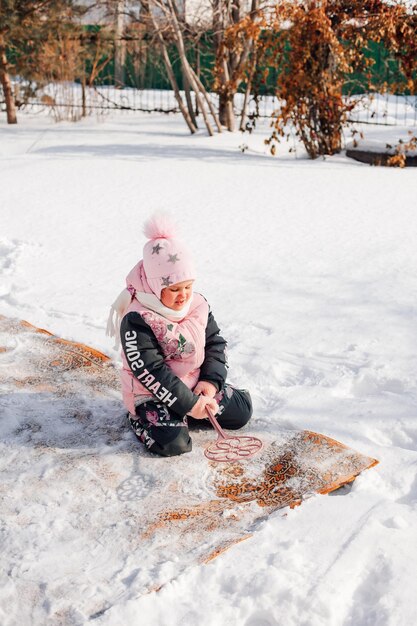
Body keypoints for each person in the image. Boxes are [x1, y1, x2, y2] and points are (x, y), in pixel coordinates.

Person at [107, 214, 253, 457]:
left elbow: (215, 343)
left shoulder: (197, 305)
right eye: (174, 289)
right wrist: (189, 405)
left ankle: (187, 413)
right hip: (153, 391)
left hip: (194, 384)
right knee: (173, 444)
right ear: (155, 286)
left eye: (187, 286)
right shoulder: (138, 318)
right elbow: (151, 371)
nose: (183, 295)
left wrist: (210, 382)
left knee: (241, 411)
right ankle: (142, 420)